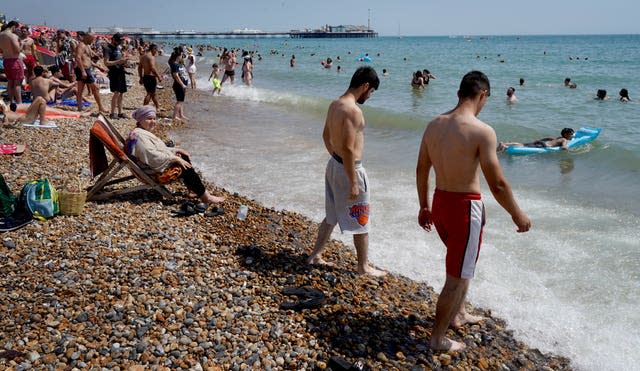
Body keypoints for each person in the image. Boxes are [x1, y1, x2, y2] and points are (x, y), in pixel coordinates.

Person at [416, 71, 531, 351]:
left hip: (440, 202)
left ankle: (460, 314)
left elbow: (422, 168)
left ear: (458, 94)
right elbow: (498, 183)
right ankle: (437, 338)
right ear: (483, 95)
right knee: (455, 277)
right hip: (464, 209)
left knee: (463, 264)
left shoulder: (434, 125)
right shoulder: (482, 131)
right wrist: (517, 214)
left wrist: (424, 205)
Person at [307, 66, 387, 277]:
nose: (369, 97)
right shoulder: (353, 110)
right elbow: (350, 148)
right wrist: (352, 180)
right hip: (350, 169)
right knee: (361, 217)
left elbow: (326, 136)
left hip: (334, 165)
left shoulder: (335, 104)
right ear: (365, 86)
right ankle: (363, 267)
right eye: (371, 92)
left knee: (331, 215)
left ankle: (315, 255)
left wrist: (337, 159)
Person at [126, 105, 224, 205]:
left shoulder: (139, 132)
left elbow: (155, 150)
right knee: (184, 166)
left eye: (154, 118)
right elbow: (152, 156)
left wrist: (175, 150)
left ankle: (193, 189)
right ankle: (206, 197)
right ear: (140, 119)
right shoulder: (140, 137)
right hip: (153, 174)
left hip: (147, 167)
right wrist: (174, 158)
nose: (153, 121)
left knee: (182, 156)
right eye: (149, 118)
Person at [74, 31, 108, 113]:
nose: (92, 41)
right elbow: (78, 58)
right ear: (86, 37)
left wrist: (98, 66)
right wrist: (83, 71)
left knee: (80, 89)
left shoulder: (87, 45)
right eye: (91, 39)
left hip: (86, 69)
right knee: (95, 87)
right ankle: (100, 107)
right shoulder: (81, 46)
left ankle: (79, 108)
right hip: (83, 69)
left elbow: (88, 59)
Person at [103, 33, 129, 119]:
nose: (120, 42)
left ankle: (120, 112)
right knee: (116, 92)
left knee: (121, 92)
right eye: (118, 40)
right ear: (113, 39)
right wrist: (118, 62)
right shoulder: (108, 49)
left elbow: (119, 59)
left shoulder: (118, 48)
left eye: (120, 41)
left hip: (121, 71)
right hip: (114, 73)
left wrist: (124, 62)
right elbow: (106, 62)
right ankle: (112, 113)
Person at [0, 21, 24, 104]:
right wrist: (21, 44)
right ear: (13, 26)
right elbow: (17, 50)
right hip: (14, 60)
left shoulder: (1, 35)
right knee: (17, 83)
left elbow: (1, 50)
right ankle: (19, 103)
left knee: (10, 82)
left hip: (6, 60)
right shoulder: (12, 36)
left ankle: (11, 102)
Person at [497, 128, 575, 151]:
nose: (572, 136)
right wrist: (570, 151)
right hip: (543, 146)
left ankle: (505, 144)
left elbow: (548, 138)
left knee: (524, 144)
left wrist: (539, 139)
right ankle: (506, 147)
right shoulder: (564, 140)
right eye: (571, 134)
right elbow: (563, 147)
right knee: (525, 147)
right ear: (565, 134)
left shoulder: (559, 138)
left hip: (541, 142)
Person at [138, 43, 163, 109]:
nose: (156, 52)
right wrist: (158, 76)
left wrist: (141, 78)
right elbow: (152, 68)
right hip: (151, 77)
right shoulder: (151, 57)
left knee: (153, 94)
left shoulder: (143, 56)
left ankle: (158, 107)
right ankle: (144, 108)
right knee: (149, 93)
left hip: (145, 77)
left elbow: (139, 67)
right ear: (153, 49)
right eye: (156, 50)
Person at [168, 50, 189, 122]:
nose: (182, 56)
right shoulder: (174, 64)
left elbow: (183, 68)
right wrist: (182, 84)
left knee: (181, 101)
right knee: (179, 101)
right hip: (179, 85)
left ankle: (181, 115)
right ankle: (174, 116)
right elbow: (176, 76)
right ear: (177, 56)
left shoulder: (179, 63)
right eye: (181, 55)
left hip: (182, 84)